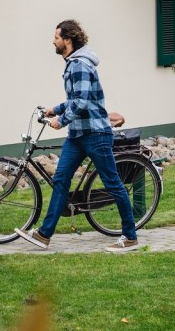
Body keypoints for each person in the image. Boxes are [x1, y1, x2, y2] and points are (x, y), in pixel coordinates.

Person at [17, 19, 141, 252]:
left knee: (113, 184)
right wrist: (56, 108)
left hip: (95, 134)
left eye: (56, 37)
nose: (52, 41)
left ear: (68, 39)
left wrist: (60, 120)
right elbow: (76, 99)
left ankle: (130, 237)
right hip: (77, 135)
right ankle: (44, 235)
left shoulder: (79, 65)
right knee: (61, 180)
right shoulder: (73, 63)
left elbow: (82, 101)